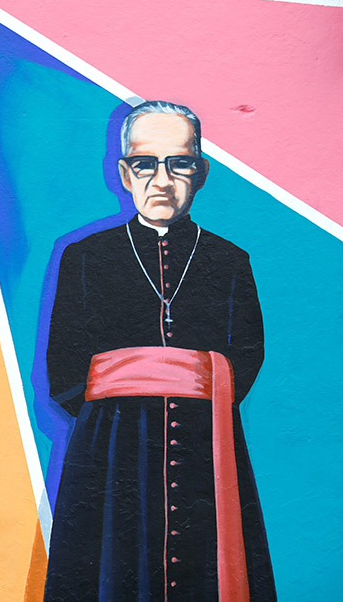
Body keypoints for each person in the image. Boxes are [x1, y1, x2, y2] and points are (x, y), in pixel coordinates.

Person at [43, 101, 275, 601]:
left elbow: (248, 353)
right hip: (111, 449)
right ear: (126, 173)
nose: (162, 180)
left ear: (201, 172)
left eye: (179, 163)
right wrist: (117, 418)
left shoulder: (229, 260)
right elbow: (63, 367)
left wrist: (193, 389)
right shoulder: (84, 257)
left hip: (204, 446)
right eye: (145, 163)